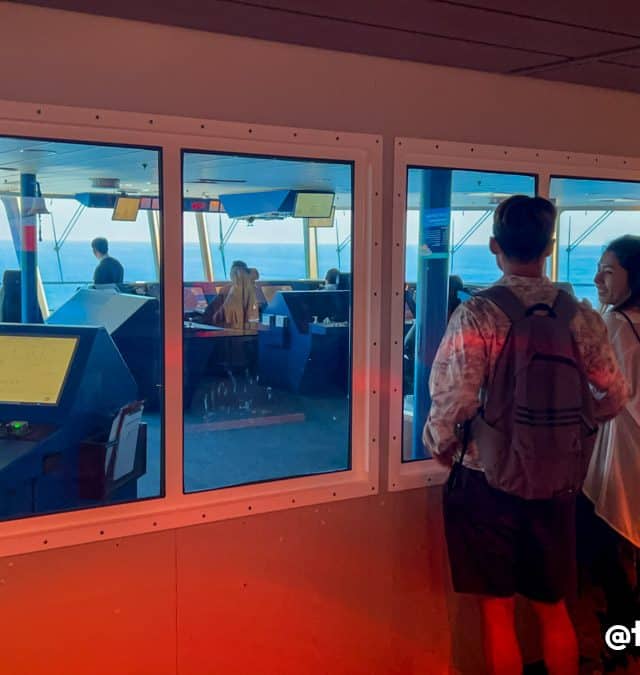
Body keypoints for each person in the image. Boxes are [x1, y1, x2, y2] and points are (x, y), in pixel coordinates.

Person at [423, 195, 628, 675]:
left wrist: (442, 447)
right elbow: (615, 393)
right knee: (552, 608)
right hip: (556, 483)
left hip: (487, 480)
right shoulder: (580, 315)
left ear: (494, 246)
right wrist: (578, 428)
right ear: (548, 247)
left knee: (497, 613)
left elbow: (454, 401)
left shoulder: (477, 314)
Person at [579, 235, 640, 664]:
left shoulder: (616, 324)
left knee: (601, 544)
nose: (597, 279)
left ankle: (622, 637)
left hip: (622, 455)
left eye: (608, 271)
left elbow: (600, 390)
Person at [212, 260, 258, 329]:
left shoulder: (253, 289)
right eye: (234, 274)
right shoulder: (225, 290)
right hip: (230, 328)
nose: (236, 277)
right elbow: (217, 317)